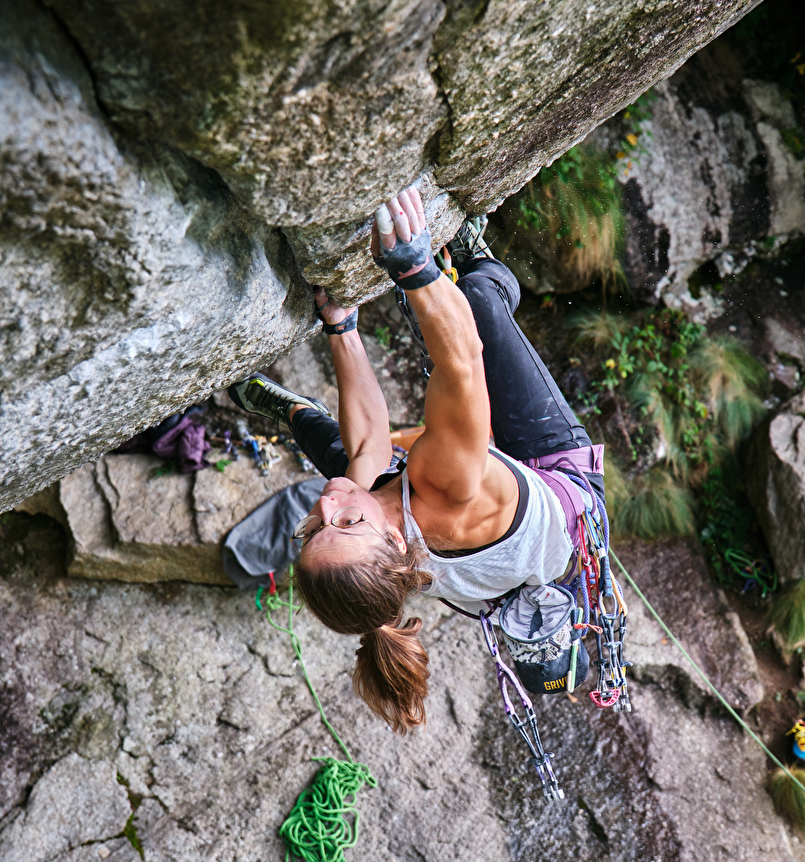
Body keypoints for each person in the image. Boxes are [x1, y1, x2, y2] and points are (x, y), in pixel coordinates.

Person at [227, 186, 604, 734]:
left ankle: (296, 416)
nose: (329, 505)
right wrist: (418, 269)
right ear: (398, 545)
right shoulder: (447, 491)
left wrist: (340, 325)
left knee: (342, 463)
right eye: (348, 522)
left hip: (483, 534)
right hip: (558, 484)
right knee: (475, 302)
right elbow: (462, 361)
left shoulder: (367, 542)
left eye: (314, 528)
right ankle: (484, 263)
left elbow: (367, 450)